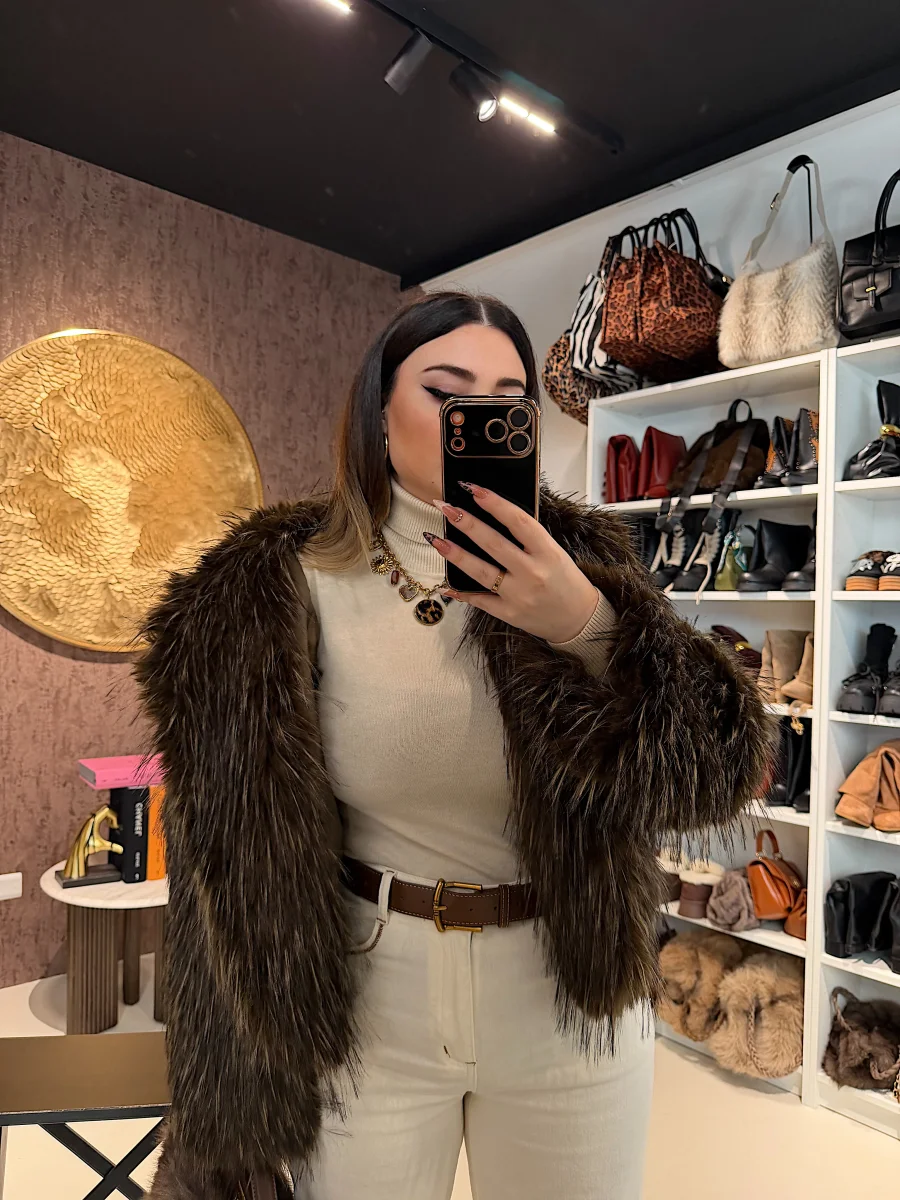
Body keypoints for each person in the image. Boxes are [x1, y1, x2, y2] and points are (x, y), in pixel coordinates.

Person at [136, 291, 770, 1200]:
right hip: (365, 998)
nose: (482, 418)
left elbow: (717, 772)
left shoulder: (582, 562)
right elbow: (223, 857)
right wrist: (232, 1077)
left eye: (509, 401)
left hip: (566, 990)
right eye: (446, 391)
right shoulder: (280, 584)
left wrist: (587, 624)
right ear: (378, 414)